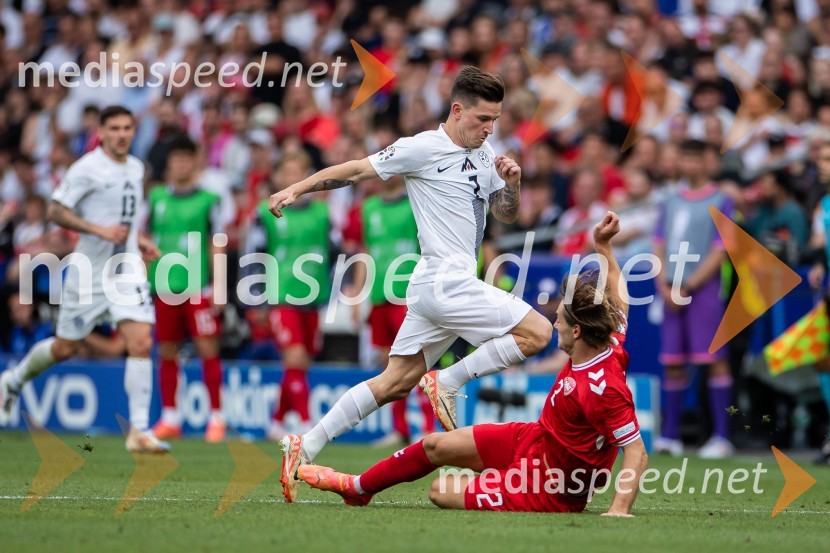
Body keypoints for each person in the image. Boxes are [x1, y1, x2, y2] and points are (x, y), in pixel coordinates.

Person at [271, 66, 553, 502]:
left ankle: (304, 445)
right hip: (445, 280)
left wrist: (512, 184)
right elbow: (356, 171)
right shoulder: (422, 147)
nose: (489, 128)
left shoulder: (485, 152)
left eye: (494, 120)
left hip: (438, 286)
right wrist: (299, 187)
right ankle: (451, 381)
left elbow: (506, 214)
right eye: (482, 119)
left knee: (395, 381)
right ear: (457, 110)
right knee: (539, 332)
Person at [300, 212, 647, 516]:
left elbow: (636, 452)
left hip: (549, 487)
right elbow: (619, 298)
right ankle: (357, 489)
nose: (553, 325)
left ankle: (498, 484)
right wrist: (604, 247)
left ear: (576, 329)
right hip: (535, 440)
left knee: (441, 491)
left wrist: (618, 511)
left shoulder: (603, 388)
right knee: (435, 445)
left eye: (558, 320)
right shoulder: (608, 339)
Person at [0, 105, 167, 453]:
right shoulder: (87, 168)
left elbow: (127, 218)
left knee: (140, 341)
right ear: (102, 133)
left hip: (126, 267)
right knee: (66, 347)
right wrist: (96, 230)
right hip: (88, 274)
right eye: (115, 128)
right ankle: (12, 382)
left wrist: (140, 240)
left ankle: (139, 430)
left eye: (127, 128)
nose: (122, 134)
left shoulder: (136, 168)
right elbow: (56, 210)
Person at [653, 139, 734, 459]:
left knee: (714, 360)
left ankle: (721, 438)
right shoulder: (669, 200)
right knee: (672, 361)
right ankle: (670, 436)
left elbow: (721, 249)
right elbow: (657, 243)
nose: (690, 165)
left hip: (703, 291)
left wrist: (687, 285)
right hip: (670, 289)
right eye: (684, 158)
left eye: (695, 159)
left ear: (706, 161)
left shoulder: (722, 200)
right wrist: (663, 283)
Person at [146, 136, 227, 443]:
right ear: (168, 165)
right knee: (166, 350)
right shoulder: (155, 199)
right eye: (175, 159)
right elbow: (144, 239)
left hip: (198, 287)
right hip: (163, 286)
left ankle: (217, 416)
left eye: (185, 158)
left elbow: (216, 242)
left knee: (208, 349)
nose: (180, 164)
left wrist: (219, 286)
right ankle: (170, 417)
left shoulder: (209, 199)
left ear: (194, 162)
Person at [248, 150, 331, 441]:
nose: (292, 178)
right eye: (287, 173)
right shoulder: (264, 213)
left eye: (299, 173)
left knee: (301, 362)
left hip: (314, 295)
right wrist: (256, 296)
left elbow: (335, 252)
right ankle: (307, 425)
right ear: (278, 178)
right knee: (295, 358)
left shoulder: (323, 212)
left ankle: (276, 421)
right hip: (280, 295)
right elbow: (254, 255)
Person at [348, 175, 435, 446]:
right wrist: (357, 295)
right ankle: (399, 429)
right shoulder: (368, 207)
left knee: (417, 361)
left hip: (408, 294)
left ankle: (427, 426)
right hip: (378, 296)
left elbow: (428, 247)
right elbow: (365, 252)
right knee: (389, 364)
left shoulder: (415, 202)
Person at [806, 141, 830, 465]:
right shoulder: (822, 204)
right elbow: (819, 243)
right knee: (823, 361)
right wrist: (819, 264)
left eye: (828, 158)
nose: (822, 163)